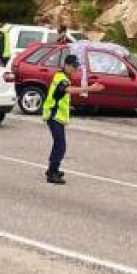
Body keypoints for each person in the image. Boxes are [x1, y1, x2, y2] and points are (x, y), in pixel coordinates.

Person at [42, 54, 104, 184]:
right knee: (60, 145)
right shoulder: (62, 78)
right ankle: (52, 173)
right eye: (74, 67)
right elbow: (68, 90)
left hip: (57, 116)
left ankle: (52, 169)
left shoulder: (63, 76)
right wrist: (90, 89)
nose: (75, 70)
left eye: (76, 68)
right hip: (54, 115)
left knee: (58, 144)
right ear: (67, 65)